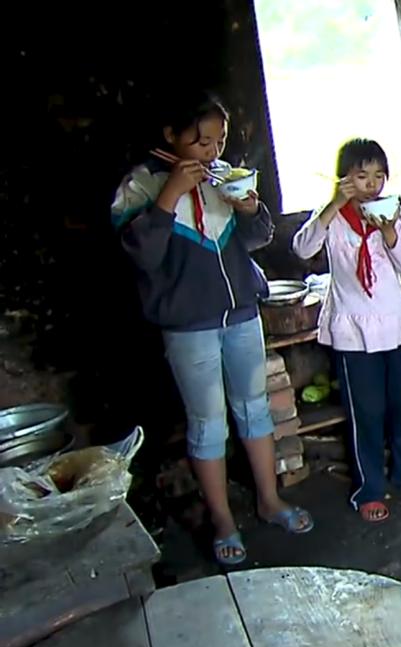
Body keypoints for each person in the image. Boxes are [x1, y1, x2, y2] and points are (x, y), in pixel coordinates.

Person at [110, 91, 312, 565]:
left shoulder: (225, 176)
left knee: (255, 409)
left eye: (218, 141)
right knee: (207, 424)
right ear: (171, 136)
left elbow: (258, 238)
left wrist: (248, 209)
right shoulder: (141, 185)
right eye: (200, 141)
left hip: (241, 312)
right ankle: (223, 519)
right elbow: (139, 254)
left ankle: (269, 499)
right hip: (188, 326)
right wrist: (169, 196)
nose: (212, 152)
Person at [292, 138, 401, 523]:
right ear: (344, 179)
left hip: (396, 326)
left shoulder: (394, 214)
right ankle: (369, 488)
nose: (371, 184)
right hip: (353, 330)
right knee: (365, 412)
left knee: (399, 408)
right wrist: (333, 204)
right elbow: (302, 248)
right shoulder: (333, 218)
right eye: (361, 176)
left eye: (378, 176)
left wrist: (388, 232)